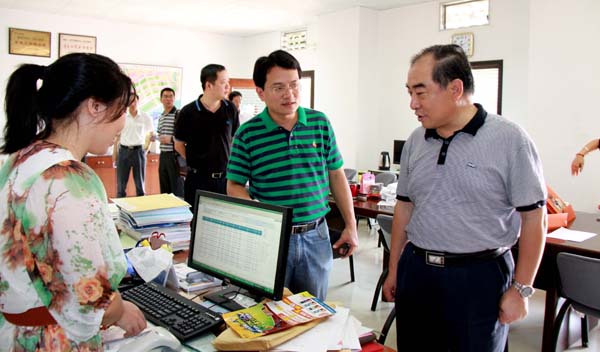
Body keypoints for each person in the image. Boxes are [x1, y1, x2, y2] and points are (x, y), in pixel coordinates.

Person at [381, 44, 547, 352]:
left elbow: (534, 217)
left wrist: (521, 289)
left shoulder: (509, 139)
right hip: (418, 271)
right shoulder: (417, 140)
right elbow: (405, 206)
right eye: (410, 93)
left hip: (479, 276)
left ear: (455, 89)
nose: (413, 103)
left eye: (421, 93)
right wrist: (393, 271)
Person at [0, 53, 146, 351]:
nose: (122, 123)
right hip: (53, 339)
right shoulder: (67, 176)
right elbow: (88, 294)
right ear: (95, 106)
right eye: (120, 110)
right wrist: (120, 311)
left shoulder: (20, 158)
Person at [226, 50, 359, 301]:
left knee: (314, 311)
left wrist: (351, 226)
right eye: (279, 88)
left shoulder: (320, 123)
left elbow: (337, 175)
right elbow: (234, 185)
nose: (289, 94)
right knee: (269, 311)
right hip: (272, 238)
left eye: (295, 85)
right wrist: (260, 216)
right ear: (261, 92)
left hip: (316, 235)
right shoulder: (247, 134)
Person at [174, 64, 239, 206]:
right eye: (223, 82)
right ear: (209, 85)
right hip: (198, 179)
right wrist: (197, 161)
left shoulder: (230, 108)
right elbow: (178, 145)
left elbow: (234, 140)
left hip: (224, 179)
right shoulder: (188, 112)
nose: (228, 87)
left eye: (228, 82)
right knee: (195, 217)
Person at [113, 94, 153, 197]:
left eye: (134, 101)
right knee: (121, 187)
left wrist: (146, 150)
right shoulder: (121, 117)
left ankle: (141, 206)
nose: (132, 103)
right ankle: (120, 206)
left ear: (138, 102)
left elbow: (150, 134)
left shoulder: (145, 117)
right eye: (130, 101)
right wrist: (115, 154)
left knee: (140, 187)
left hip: (139, 152)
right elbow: (116, 137)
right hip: (123, 152)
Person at [157, 87, 184, 196]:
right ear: (161, 99)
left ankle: (179, 207)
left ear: (174, 98)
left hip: (174, 156)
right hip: (163, 155)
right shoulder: (161, 116)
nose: (168, 99)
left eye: (171, 96)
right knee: (164, 189)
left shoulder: (179, 114)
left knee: (176, 189)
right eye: (165, 96)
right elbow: (160, 133)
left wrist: (171, 139)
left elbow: (186, 136)